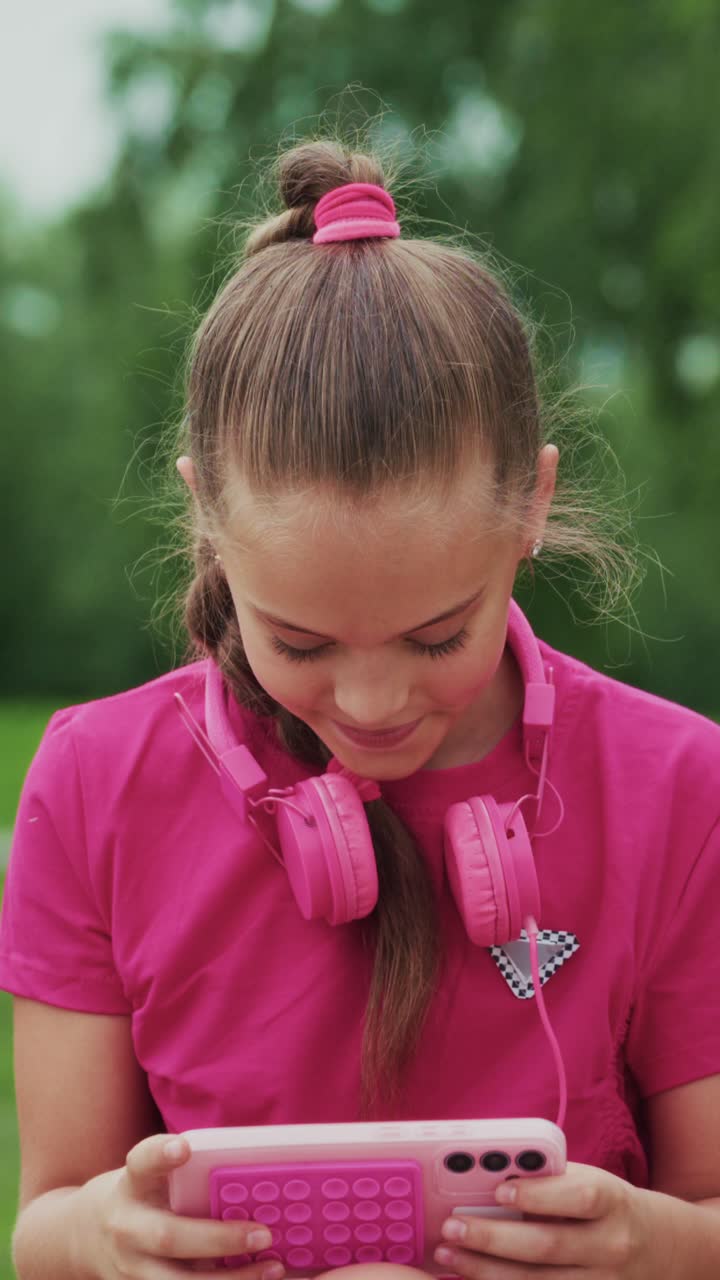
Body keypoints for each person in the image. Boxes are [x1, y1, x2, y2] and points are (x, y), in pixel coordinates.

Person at [2, 137, 720, 1280]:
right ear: (206, 523)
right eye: (301, 641)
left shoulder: (681, 788)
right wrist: (104, 1234)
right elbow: (42, 1227)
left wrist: (657, 1245)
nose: (377, 703)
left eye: (440, 634)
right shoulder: (98, 781)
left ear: (532, 503)